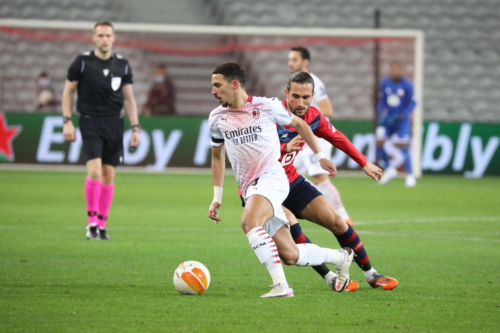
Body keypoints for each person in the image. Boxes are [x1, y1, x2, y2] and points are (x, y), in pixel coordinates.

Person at [208, 63, 354, 298]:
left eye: (217, 85)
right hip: (250, 189)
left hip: (272, 178)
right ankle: (340, 256)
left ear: (234, 85)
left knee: (249, 222)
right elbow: (217, 157)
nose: (213, 91)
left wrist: (320, 157)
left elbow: (300, 124)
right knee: (290, 255)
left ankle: (281, 287)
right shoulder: (216, 118)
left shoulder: (266, 106)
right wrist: (216, 198)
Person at [278, 72, 399, 291]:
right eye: (295, 96)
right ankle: (330, 277)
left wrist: (364, 162)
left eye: (306, 97)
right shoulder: (271, 115)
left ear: (313, 95)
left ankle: (371, 275)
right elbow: (252, 152)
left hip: (291, 181)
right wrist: (283, 148)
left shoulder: (313, 117)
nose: (301, 102)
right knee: (292, 227)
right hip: (263, 188)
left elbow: (338, 138)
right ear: (286, 93)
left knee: (337, 221)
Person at [61, 21, 141, 240]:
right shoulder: (83, 62)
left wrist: (135, 127)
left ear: (114, 38)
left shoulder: (123, 65)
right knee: (95, 171)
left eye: (108, 35)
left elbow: (128, 98)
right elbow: (68, 91)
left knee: (109, 174)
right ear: (94, 38)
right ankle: (91, 223)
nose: (104, 39)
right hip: (90, 121)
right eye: (100, 35)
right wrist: (67, 120)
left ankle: (102, 225)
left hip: (114, 123)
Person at [288, 46, 354, 225]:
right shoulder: (296, 82)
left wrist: (305, 124)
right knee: (286, 172)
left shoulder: (313, 81)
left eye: (294, 59)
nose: (290, 63)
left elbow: (327, 109)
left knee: (319, 178)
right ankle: (286, 214)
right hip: (303, 137)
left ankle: (344, 218)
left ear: (305, 62)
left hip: (315, 137)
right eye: (290, 59)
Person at [376, 61, 417, 187]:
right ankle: (390, 169)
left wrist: (403, 114)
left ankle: (410, 175)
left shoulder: (407, 85)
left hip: (401, 121)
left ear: (400, 71)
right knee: (378, 143)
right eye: (392, 69)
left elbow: (413, 103)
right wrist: (381, 112)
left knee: (404, 145)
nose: (394, 72)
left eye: (396, 70)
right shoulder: (385, 83)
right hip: (388, 120)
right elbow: (382, 100)